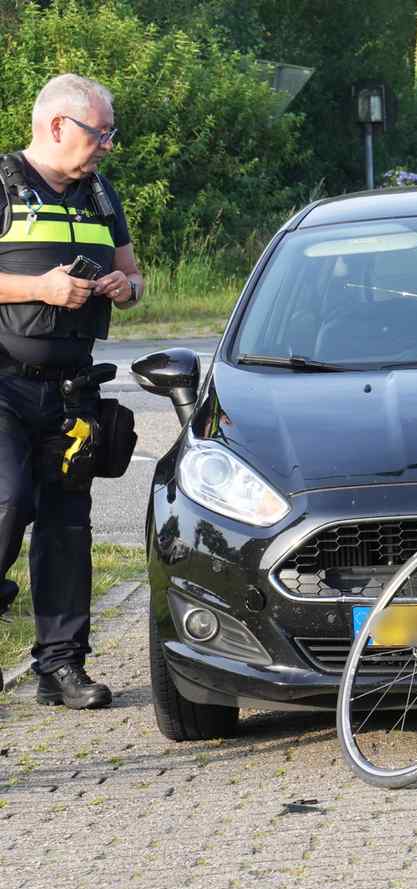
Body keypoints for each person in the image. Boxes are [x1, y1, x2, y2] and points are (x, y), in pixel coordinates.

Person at [0, 74, 144, 709]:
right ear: (58, 126)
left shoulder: (100, 194)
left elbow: (136, 275)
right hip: (4, 383)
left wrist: (122, 287)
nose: (107, 146)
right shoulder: (2, 183)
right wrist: (40, 289)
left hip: (73, 389)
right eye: (99, 133)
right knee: (8, 502)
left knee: (67, 525)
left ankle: (60, 668)